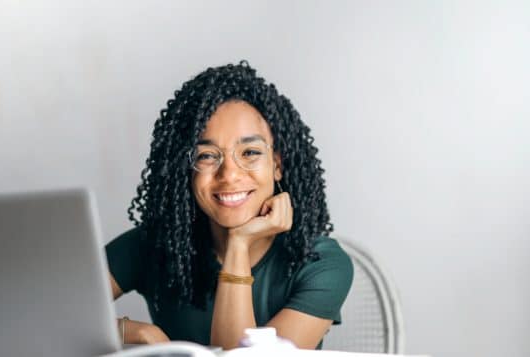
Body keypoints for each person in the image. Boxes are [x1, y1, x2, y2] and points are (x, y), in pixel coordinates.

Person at [105, 61, 353, 350]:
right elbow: (48, 313)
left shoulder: (321, 264)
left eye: (249, 152)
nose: (230, 175)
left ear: (277, 165)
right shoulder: (153, 245)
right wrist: (138, 333)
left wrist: (239, 243)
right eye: (207, 156)